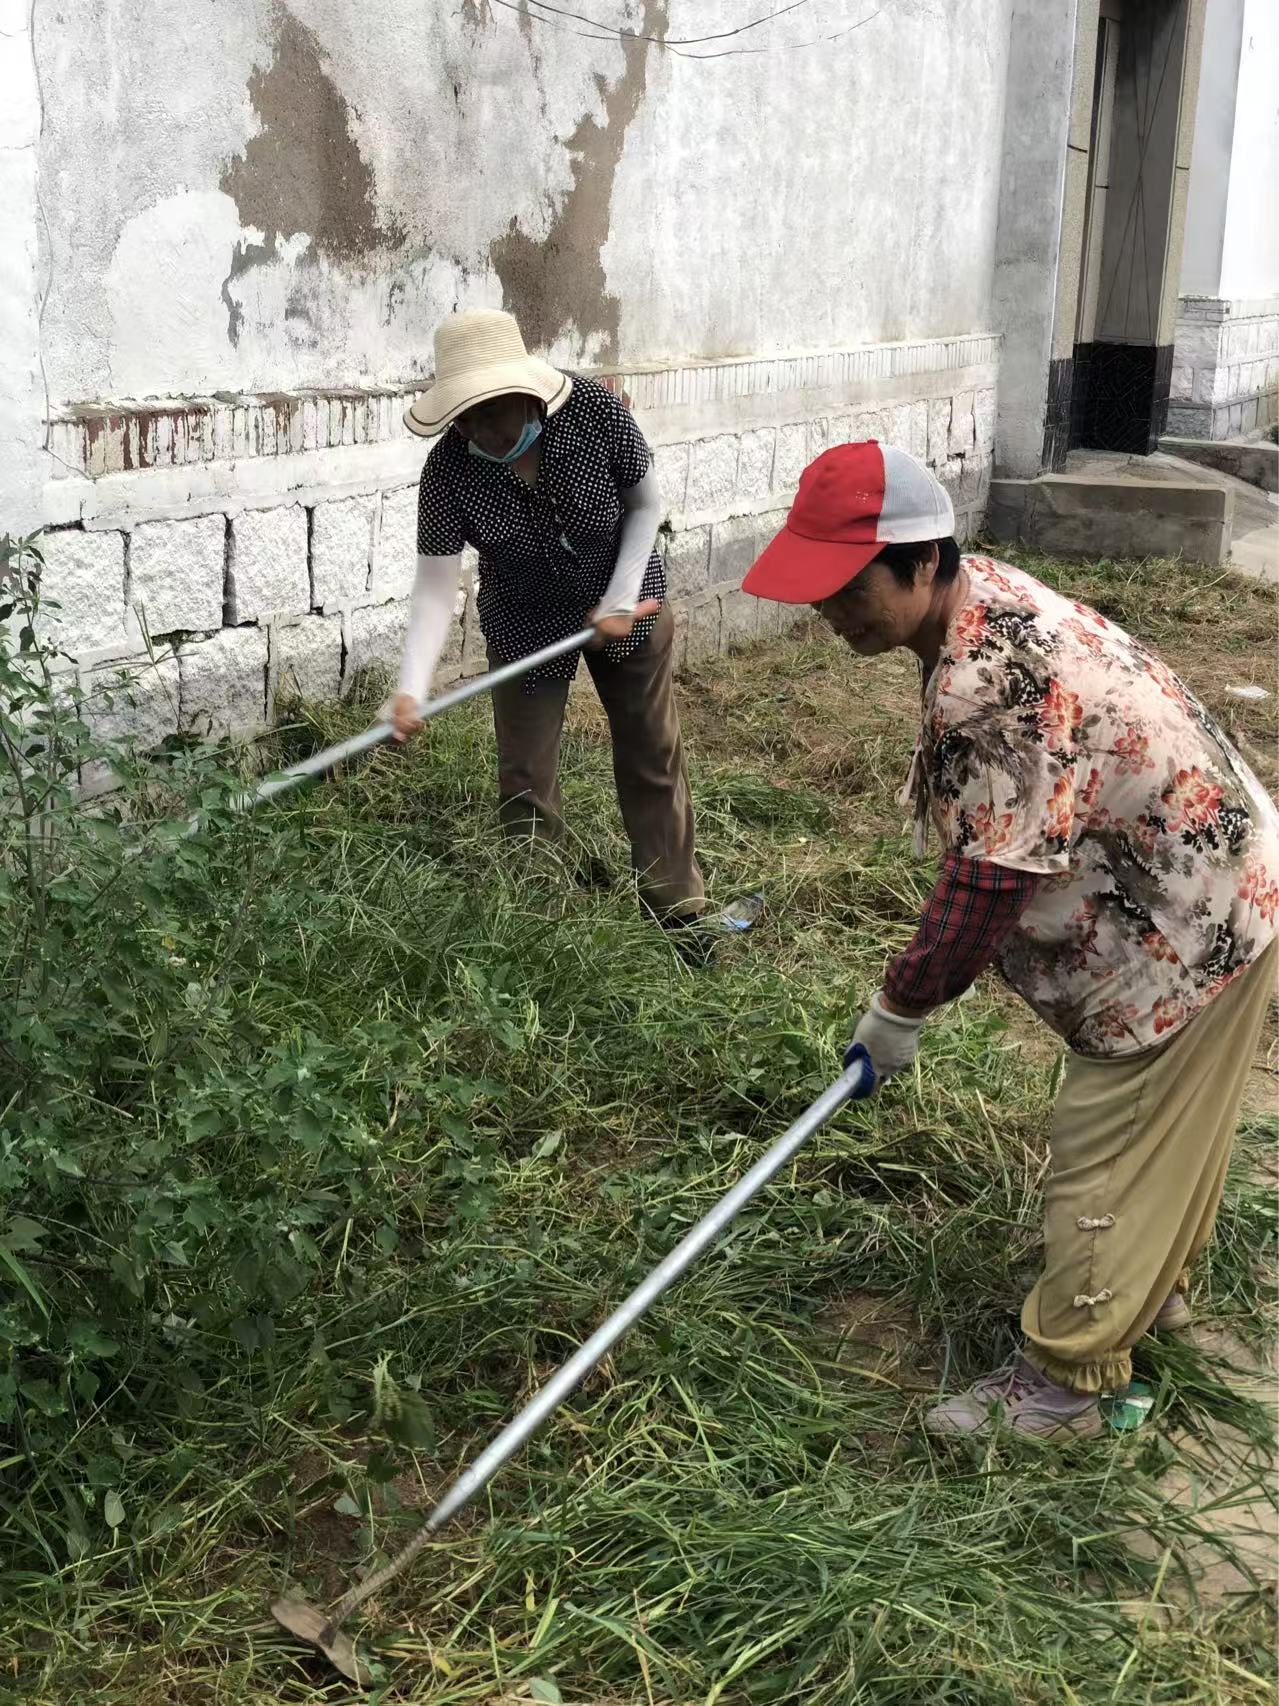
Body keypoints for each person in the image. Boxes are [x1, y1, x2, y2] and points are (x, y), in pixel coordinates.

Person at [742, 439, 1279, 1441]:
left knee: (1106, 1146)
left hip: (1184, 925)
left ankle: (1068, 1381)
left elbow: (987, 879)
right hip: (1222, 877)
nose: (830, 613)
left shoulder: (990, 680)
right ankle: (1145, 1290)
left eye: (848, 588)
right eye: (817, 592)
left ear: (921, 562)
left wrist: (899, 1005)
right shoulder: (975, 593)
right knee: (1172, 1130)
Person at [393, 308, 704, 940]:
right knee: (525, 775)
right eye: (464, 417)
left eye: (491, 412)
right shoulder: (448, 471)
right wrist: (410, 688)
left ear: (525, 392)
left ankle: (676, 909)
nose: (480, 431)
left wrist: (618, 599)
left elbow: (645, 503)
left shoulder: (595, 412)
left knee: (650, 749)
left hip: (626, 596)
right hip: (523, 613)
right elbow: (435, 587)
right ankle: (541, 922)